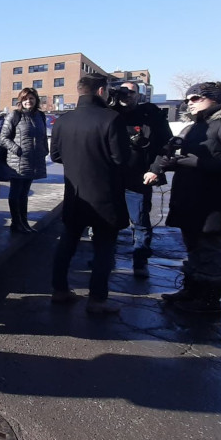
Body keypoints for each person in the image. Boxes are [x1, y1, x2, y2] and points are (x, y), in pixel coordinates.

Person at [144, 81, 221, 317]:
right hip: (190, 196)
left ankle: (209, 299)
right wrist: (168, 165)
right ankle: (192, 291)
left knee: (210, 249)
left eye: (195, 98)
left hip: (214, 200)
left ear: (213, 98)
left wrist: (198, 163)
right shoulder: (195, 126)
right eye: (187, 99)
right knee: (194, 246)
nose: (189, 103)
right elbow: (180, 154)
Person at [49, 75, 130, 314]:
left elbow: (55, 156)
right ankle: (97, 299)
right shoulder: (111, 119)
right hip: (104, 194)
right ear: (102, 91)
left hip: (75, 194)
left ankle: (60, 290)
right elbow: (121, 158)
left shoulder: (64, 120)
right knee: (104, 248)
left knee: (67, 243)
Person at [112, 81, 172, 277]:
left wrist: (155, 169)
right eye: (122, 92)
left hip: (139, 177)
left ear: (139, 95)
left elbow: (167, 145)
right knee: (107, 219)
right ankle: (105, 256)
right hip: (112, 178)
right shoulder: (110, 114)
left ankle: (140, 261)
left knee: (139, 220)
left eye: (131, 92)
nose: (126, 95)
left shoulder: (150, 115)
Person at [0, 87, 49, 233]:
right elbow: (3, 138)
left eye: (31, 98)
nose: (28, 101)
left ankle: (24, 221)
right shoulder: (15, 115)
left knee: (24, 193)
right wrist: (17, 150)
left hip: (34, 160)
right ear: (20, 100)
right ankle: (16, 222)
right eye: (25, 99)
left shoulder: (40, 116)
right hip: (17, 161)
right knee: (16, 192)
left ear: (36, 100)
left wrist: (45, 150)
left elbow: (43, 136)